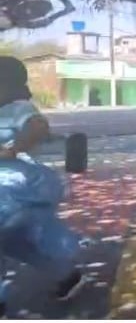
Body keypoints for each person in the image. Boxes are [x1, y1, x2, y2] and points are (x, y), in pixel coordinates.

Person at [0, 56, 87, 305]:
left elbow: (37, 127)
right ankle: (66, 275)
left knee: (17, 237)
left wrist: (12, 149)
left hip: (17, 185)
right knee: (15, 243)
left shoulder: (19, 109)